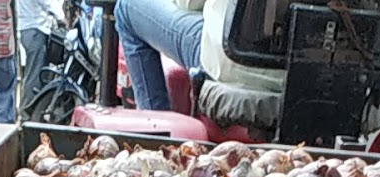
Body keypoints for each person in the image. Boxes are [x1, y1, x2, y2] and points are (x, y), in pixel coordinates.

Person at [115, 0, 283, 114]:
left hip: (231, 61)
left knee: (127, 7)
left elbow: (189, 3)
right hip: (293, 74)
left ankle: (156, 132)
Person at [18, 0, 64, 118]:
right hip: (34, 28)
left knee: (36, 71)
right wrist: (61, 17)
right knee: (35, 73)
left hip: (29, 28)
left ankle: (31, 109)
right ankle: (27, 111)